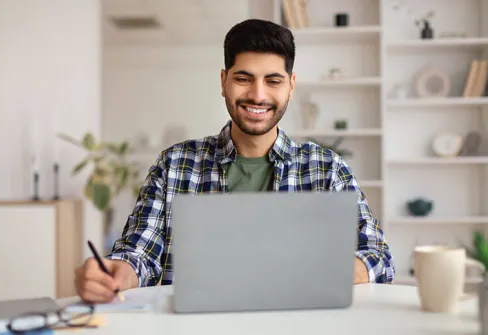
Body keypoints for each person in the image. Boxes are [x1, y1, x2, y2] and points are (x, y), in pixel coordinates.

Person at [74, 18, 395, 303]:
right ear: (224, 81)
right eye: (244, 78)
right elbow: (140, 253)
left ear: (291, 86)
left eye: (273, 80)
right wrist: (115, 273)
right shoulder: (175, 164)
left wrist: (318, 270)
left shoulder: (327, 169)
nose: (258, 95)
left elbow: (378, 257)